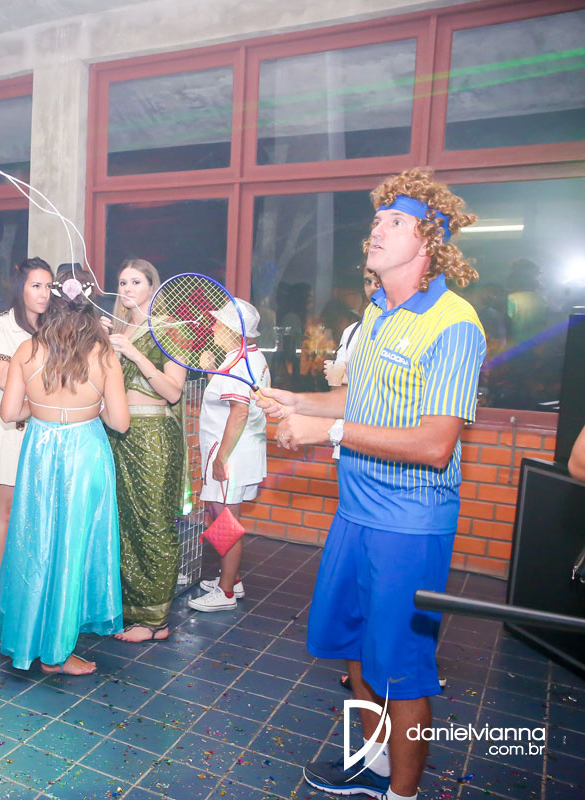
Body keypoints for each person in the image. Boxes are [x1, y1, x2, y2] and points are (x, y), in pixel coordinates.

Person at [258, 168, 484, 800]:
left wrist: (326, 432)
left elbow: (436, 444)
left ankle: (404, 794)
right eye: (376, 220)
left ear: (429, 240)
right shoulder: (378, 311)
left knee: (402, 671)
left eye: (395, 221)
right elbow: (359, 400)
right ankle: (376, 764)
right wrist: (297, 401)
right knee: (356, 651)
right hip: (355, 513)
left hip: (407, 524)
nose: (376, 231)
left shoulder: (453, 323)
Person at [0, 276, 129, 676]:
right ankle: (57, 654)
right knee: (72, 548)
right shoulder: (103, 355)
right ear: (89, 313)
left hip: (40, 451)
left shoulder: (27, 349)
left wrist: (42, 408)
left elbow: (9, 412)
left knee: (35, 544)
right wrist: (91, 407)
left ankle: (30, 636)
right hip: (85, 453)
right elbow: (120, 422)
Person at [104, 259, 188, 641]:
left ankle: (157, 620)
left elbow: (174, 391)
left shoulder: (169, 329)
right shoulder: (118, 328)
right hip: (117, 434)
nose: (127, 288)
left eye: (136, 282)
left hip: (154, 436)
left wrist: (134, 354)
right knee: (124, 523)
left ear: (153, 287)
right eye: (123, 282)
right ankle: (130, 607)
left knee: (154, 522)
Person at [0, 259, 52, 603]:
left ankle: (32, 586)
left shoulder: (56, 325)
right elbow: (5, 379)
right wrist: (52, 388)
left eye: (48, 286)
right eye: (36, 286)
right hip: (11, 428)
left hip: (48, 430)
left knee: (40, 513)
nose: (44, 293)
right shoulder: (1, 325)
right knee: (5, 510)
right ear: (21, 288)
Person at [188, 297, 269, 612]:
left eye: (219, 323)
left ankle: (225, 593)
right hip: (238, 452)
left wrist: (221, 458)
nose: (214, 328)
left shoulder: (238, 362)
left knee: (226, 522)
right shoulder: (246, 357)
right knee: (222, 517)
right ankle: (231, 579)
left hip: (231, 454)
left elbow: (239, 411)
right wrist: (213, 370)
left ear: (234, 330)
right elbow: (229, 398)